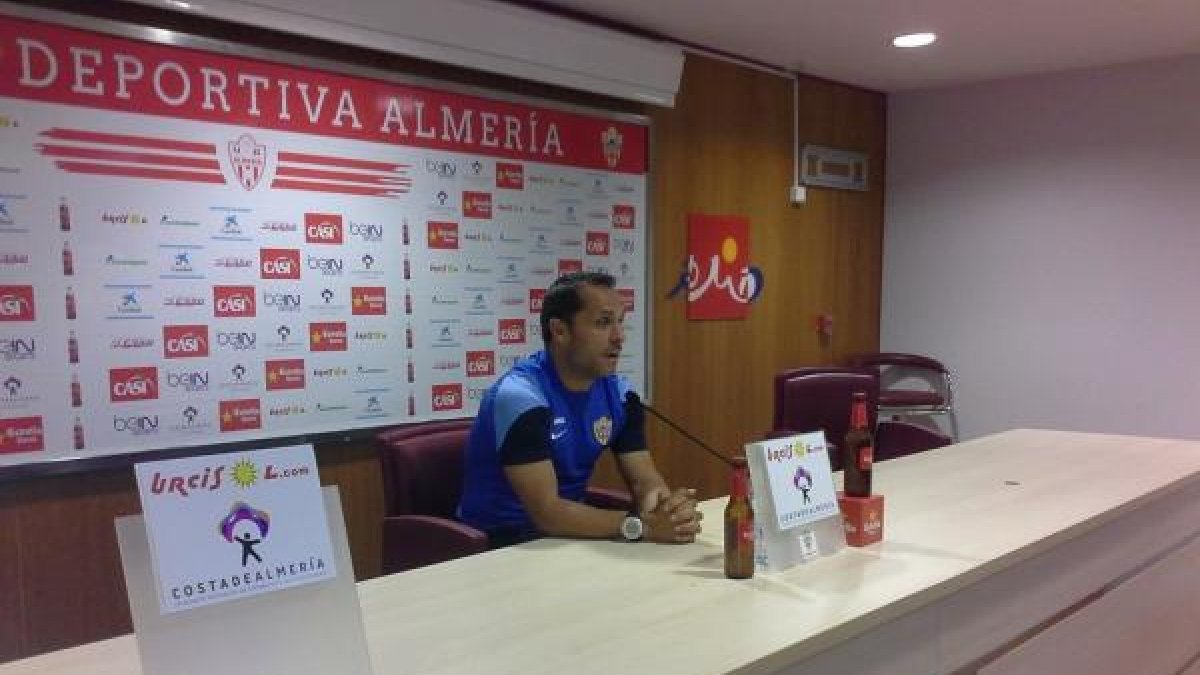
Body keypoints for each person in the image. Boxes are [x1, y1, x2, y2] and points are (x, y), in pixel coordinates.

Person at [459, 272, 702, 547]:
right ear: (560, 331)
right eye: (603, 323)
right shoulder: (521, 396)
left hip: (570, 537)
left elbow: (644, 479)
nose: (619, 337)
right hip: (500, 544)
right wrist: (642, 526)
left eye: (620, 322)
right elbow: (547, 513)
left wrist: (667, 512)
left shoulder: (620, 394)